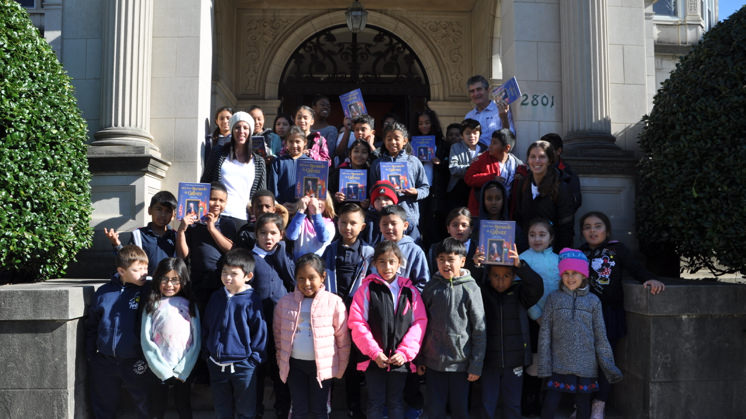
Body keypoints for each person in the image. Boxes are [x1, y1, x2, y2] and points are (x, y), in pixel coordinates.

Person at [579, 211, 665, 418]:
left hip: (609, 314)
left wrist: (650, 279)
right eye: (587, 227)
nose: (593, 230)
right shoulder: (578, 253)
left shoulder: (617, 250)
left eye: (597, 226)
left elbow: (635, 268)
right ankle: (581, 404)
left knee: (606, 361)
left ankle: (599, 404)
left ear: (607, 230)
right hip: (583, 316)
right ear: (582, 232)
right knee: (584, 361)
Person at [537, 248, 623, 419]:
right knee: (550, 404)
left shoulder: (593, 301)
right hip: (558, 363)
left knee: (583, 406)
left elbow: (601, 337)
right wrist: (544, 364)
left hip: (586, 366)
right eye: (566, 273)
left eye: (575, 273)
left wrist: (608, 366)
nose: (570, 277)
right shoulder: (554, 299)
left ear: (584, 275)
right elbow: (545, 333)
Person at [348, 240, 428, 419]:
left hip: (399, 360)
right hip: (374, 359)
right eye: (382, 262)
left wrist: (405, 353)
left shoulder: (410, 291)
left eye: (392, 261)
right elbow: (357, 322)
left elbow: (419, 323)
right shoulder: (366, 289)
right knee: (375, 402)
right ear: (375, 264)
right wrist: (374, 352)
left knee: (396, 401)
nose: (387, 266)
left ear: (399, 263)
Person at [274, 253, 351, 419]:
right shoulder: (285, 302)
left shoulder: (334, 302)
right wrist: (282, 361)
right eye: (301, 278)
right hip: (295, 366)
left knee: (319, 409)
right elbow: (279, 336)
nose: (306, 283)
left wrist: (341, 368)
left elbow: (343, 339)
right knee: (298, 409)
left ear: (323, 277)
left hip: (322, 366)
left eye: (311, 278)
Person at [418, 238, 486, 419]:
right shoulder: (432, 287)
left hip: (461, 365)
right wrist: (420, 359)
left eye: (451, 259)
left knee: (460, 411)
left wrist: (476, 365)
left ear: (462, 261)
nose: (445, 264)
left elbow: (479, 328)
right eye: (441, 259)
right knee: (434, 410)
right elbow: (421, 325)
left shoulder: (471, 288)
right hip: (434, 363)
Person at [85, 245, 151, 419]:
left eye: (146, 268)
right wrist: (91, 354)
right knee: (103, 404)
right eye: (137, 270)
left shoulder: (147, 291)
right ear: (121, 271)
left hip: (135, 359)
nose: (144, 273)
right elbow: (92, 325)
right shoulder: (104, 293)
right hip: (105, 361)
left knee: (144, 404)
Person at [321, 202, 373, 417]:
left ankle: (354, 407)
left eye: (353, 223)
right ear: (337, 223)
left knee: (353, 364)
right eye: (344, 222)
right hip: (332, 315)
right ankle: (326, 404)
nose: (348, 227)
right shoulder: (330, 250)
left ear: (362, 226)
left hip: (357, 316)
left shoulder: (368, 253)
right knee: (328, 360)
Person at [479, 244, 544, 419]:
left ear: (514, 276)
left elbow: (537, 286)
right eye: (495, 276)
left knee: (513, 404)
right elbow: (472, 285)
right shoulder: (483, 294)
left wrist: (520, 265)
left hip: (515, 360)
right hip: (488, 360)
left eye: (506, 276)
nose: (500, 281)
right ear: (488, 276)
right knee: (487, 403)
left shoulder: (519, 293)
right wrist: (476, 266)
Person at [202, 248, 267, 419]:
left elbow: (259, 331)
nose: (228, 277)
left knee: (246, 410)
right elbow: (207, 325)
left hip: (243, 367)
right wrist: (208, 353)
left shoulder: (252, 299)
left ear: (248, 276)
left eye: (234, 273)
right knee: (222, 409)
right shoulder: (216, 297)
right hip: (216, 363)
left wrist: (253, 360)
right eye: (224, 272)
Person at [140, 257, 201, 419]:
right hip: (158, 369)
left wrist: (183, 369)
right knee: (157, 408)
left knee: (184, 406)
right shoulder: (152, 304)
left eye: (175, 280)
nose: (169, 285)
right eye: (164, 279)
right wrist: (162, 370)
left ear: (183, 280)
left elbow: (197, 340)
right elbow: (146, 340)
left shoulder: (190, 305)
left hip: (183, 369)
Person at [518, 218, 560, 416]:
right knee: (534, 360)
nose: (537, 239)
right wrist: (536, 315)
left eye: (542, 235)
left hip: (556, 319)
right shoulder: (522, 259)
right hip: (532, 320)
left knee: (552, 359)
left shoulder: (559, 259)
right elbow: (521, 292)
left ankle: (549, 401)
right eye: (532, 235)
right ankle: (530, 401)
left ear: (551, 238)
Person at [175, 182, 236, 310]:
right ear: (204, 199)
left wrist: (212, 229)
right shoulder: (194, 223)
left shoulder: (228, 223)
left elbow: (230, 249)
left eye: (222, 200)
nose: (217, 204)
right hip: (198, 281)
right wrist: (181, 230)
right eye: (213, 199)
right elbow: (183, 255)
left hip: (222, 280)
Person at [201, 111, 267, 229]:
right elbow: (205, 182)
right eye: (237, 127)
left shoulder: (259, 162)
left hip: (243, 218)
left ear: (250, 132)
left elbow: (260, 193)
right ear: (231, 130)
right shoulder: (218, 152)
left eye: (245, 128)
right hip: (218, 216)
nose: (241, 131)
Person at [370, 122, 430, 243]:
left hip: (408, 214)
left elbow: (425, 188)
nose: (393, 142)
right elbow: (372, 190)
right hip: (385, 217)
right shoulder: (377, 164)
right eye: (389, 139)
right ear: (384, 141)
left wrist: (416, 192)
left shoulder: (414, 162)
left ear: (405, 141)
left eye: (397, 138)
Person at [511, 140, 574, 252]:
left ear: (550, 160)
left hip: (552, 253)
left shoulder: (561, 187)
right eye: (532, 156)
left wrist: (560, 256)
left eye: (542, 157)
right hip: (527, 252)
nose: (537, 161)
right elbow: (519, 217)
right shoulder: (523, 184)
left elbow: (566, 227)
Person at [104, 191, 178, 276]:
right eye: (159, 209)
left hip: (168, 286)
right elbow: (128, 258)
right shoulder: (138, 235)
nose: (163, 214)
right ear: (149, 210)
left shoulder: (176, 236)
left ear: (173, 215)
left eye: (168, 211)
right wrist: (116, 244)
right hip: (145, 285)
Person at [412, 108, 449, 248]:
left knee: (435, 227)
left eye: (427, 122)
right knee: (421, 225)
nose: (424, 126)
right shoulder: (412, 143)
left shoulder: (442, 144)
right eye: (420, 123)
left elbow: (448, 167)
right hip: (419, 190)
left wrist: (439, 163)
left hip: (436, 191)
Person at [377, 205, 429, 291]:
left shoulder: (415, 251)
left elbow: (423, 282)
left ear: (405, 225)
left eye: (393, 223)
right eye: (385, 224)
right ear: (379, 226)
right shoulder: (377, 249)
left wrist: (407, 298)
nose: (389, 227)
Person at [464, 74, 514, 146]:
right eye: (472, 91)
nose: (476, 94)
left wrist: (504, 118)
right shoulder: (469, 116)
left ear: (488, 90)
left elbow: (509, 139)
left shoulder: (501, 109)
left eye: (479, 89)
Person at [252, 212, 296, 292]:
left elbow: (293, 280)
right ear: (256, 235)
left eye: (273, 233)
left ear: (281, 235)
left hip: (283, 303)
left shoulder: (286, 256)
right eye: (263, 233)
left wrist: (281, 252)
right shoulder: (251, 258)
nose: (268, 237)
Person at [449, 118, 486, 213]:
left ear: (480, 134)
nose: (472, 136)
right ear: (462, 135)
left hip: (477, 188)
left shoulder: (484, 149)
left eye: (475, 133)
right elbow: (453, 169)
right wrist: (470, 167)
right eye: (468, 133)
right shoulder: (456, 147)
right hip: (459, 187)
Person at [270, 126, 312, 204]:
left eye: (298, 141)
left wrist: (299, 205)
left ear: (305, 142)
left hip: (303, 208)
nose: (294, 145)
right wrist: (280, 204)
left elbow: (312, 191)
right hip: (281, 207)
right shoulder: (278, 162)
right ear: (286, 143)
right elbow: (273, 188)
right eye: (291, 142)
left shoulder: (311, 163)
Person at [285, 194, 336, 260]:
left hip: (319, 265)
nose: (317, 202)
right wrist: (301, 210)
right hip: (300, 264)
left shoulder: (329, 223)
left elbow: (323, 238)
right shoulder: (301, 220)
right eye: (313, 198)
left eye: (321, 199)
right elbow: (291, 236)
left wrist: (316, 212)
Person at [427, 206, 474, 276]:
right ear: (448, 228)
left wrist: (477, 264)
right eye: (455, 225)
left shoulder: (478, 249)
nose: (460, 228)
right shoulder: (435, 249)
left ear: (471, 229)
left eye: (464, 225)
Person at [542, 133, 582, 212]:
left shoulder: (569, 174)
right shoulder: (533, 171)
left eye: (547, 151)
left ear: (558, 151)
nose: (543, 154)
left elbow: (575, 202)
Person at [363, 180, 399, 247]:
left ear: (394, 201)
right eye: (378, 199)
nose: (382, 202)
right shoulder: (366, 221)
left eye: (386, 199)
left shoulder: (403, 220)